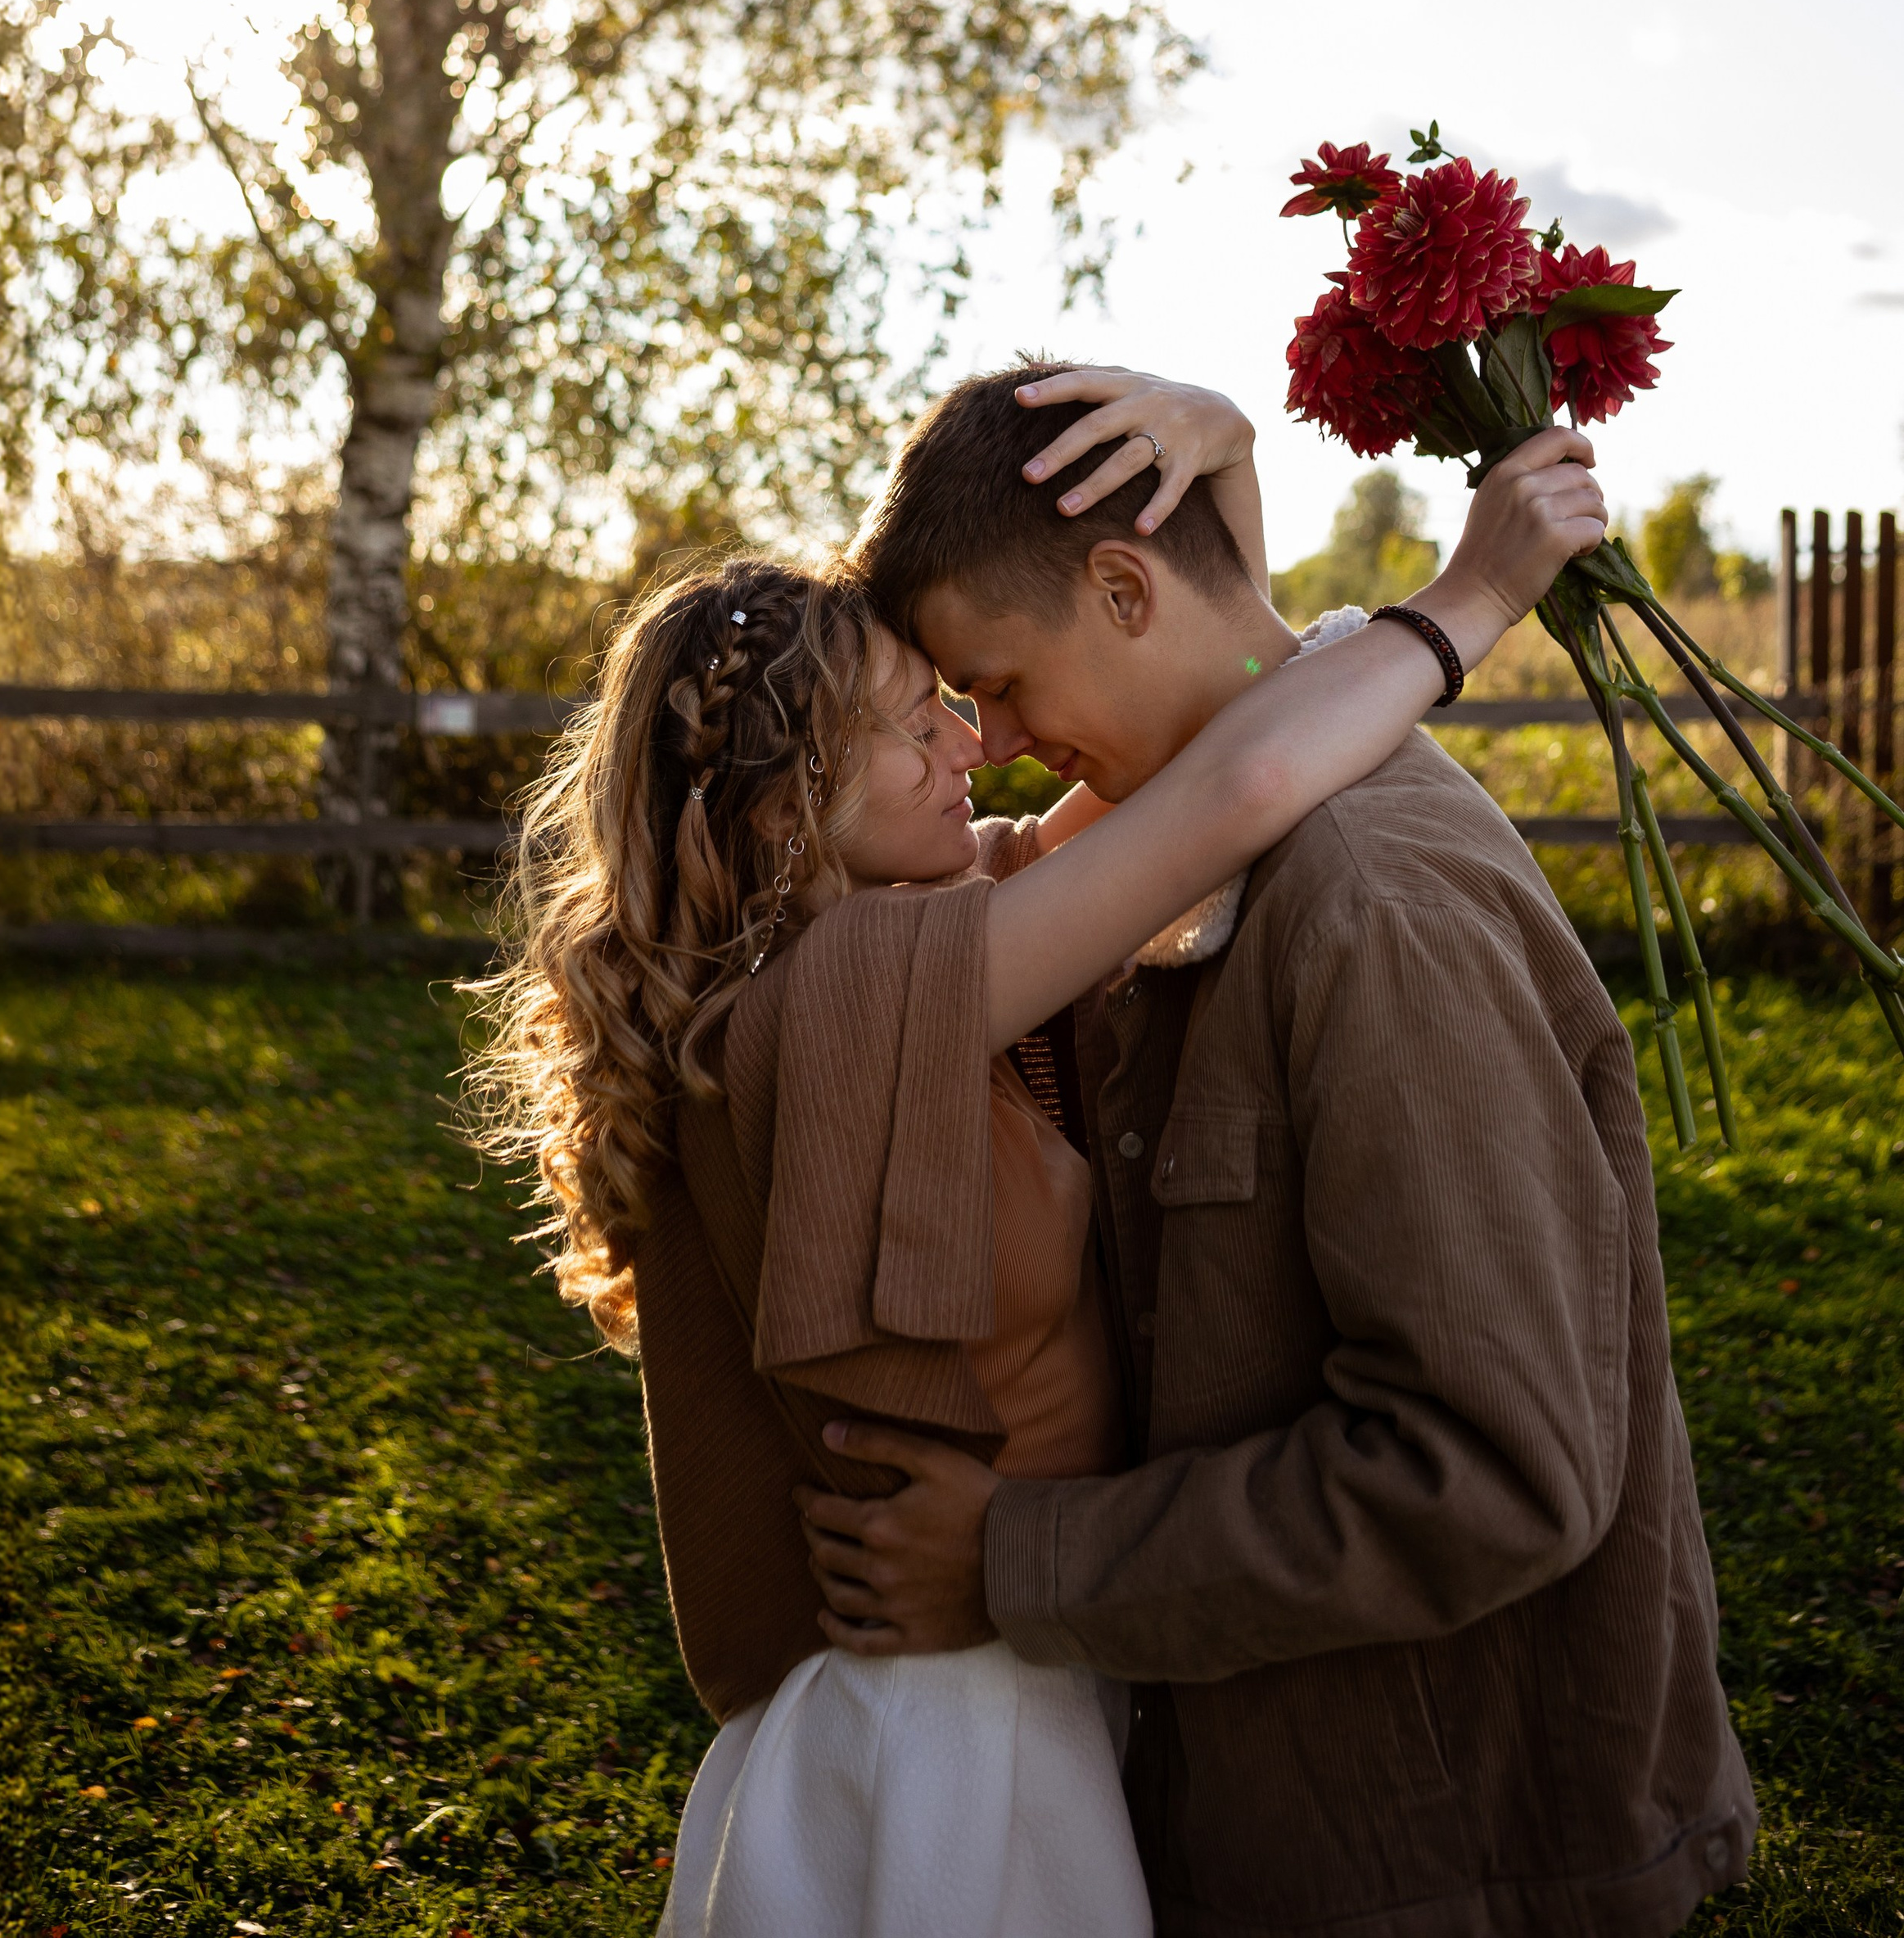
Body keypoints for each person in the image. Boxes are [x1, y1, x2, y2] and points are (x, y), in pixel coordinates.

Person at [462, 373, 1607, 1938]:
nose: (975, 747)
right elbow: (1239, 784)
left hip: (1010, 1667)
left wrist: (1226, 445)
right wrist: (1479, 591)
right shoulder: (853, 1004)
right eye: (917, 718)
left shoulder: (900, 945)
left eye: (966, 697)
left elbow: (1199, 695)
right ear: (793, 809)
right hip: (954, 1715)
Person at [796, 360, 1755, 1938]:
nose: (1007, 744)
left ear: (1118, 584)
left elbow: (1493, 1474)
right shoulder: (1195, 827)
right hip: (1302, 1822)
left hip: (1458, 1864)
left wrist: (1017, 1561)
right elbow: (1246, 672)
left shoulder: (1372, 908)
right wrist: (1230, 442)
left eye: (1005, 683)